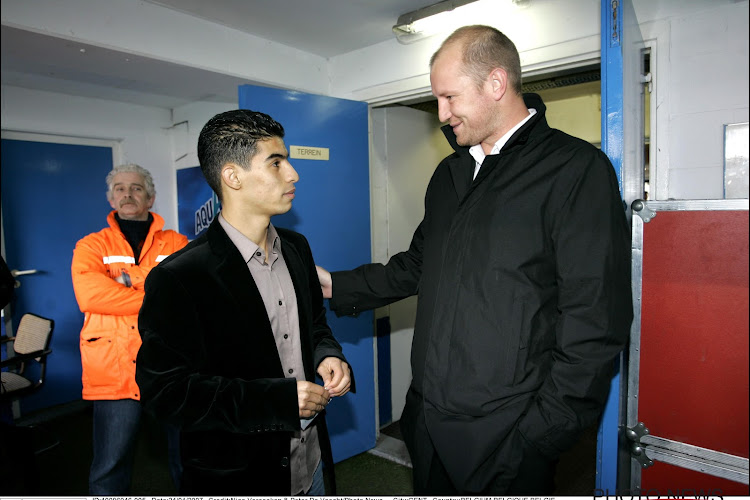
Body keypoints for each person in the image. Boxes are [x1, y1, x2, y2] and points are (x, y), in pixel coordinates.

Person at [316, 25, 633, 495]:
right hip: (426, 419)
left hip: (507, 431)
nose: (441, 115)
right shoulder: (449, 174)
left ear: (496, 84)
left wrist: (542, 433)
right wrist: (333, 285)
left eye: (448, 98)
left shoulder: (575, 170)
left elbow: (595, 319)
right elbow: (417, 265)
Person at [135, 109, 353, 496]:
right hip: (240, 472)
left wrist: (326, 353)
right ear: (232, 177)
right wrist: (275, 400)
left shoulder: (297, 248)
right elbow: (166, 394)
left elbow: (315, 323)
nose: (293, 174)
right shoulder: (180, 277)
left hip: (312, 459)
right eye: (276, 162)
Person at [71, 163, 188, 495]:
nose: (128, 194)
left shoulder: (178, 243)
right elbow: (91, 296)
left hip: (171, 366)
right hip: (113, 368)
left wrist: (125, 281)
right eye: (120, 188)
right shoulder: (91, 246)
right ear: (111, 198)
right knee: (110, 463)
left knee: (187, 457)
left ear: (150, 198)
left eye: (136, 188)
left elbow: (187, 294)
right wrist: (155, 290)